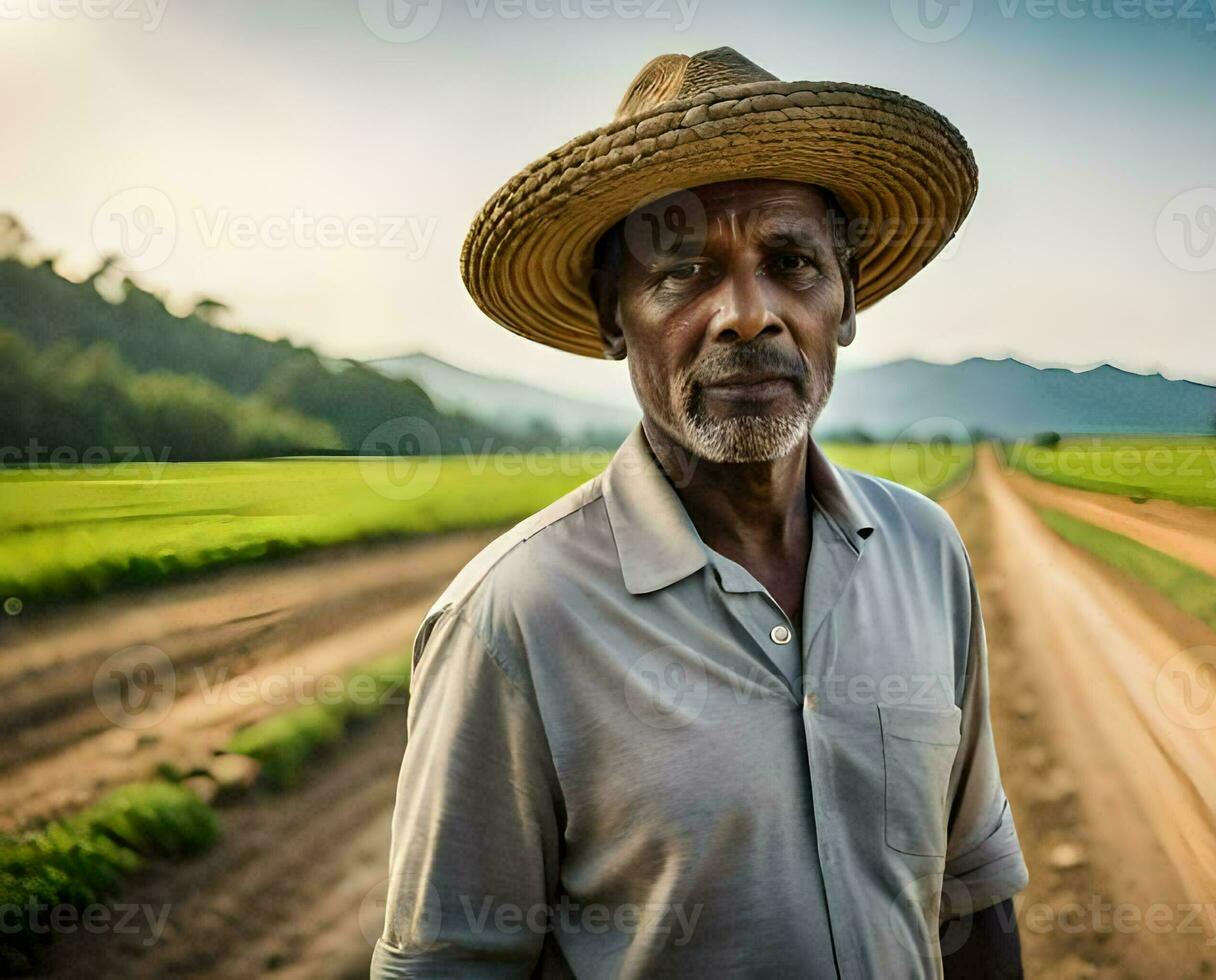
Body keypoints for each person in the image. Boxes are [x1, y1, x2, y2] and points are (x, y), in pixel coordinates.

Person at [372, 46, 1027, 978]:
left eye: (792, 262)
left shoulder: (926, 550)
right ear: (612, 318)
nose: (747, 316)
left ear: (847, 301)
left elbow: (972, 888)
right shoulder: (513, 620)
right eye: (682, 272)